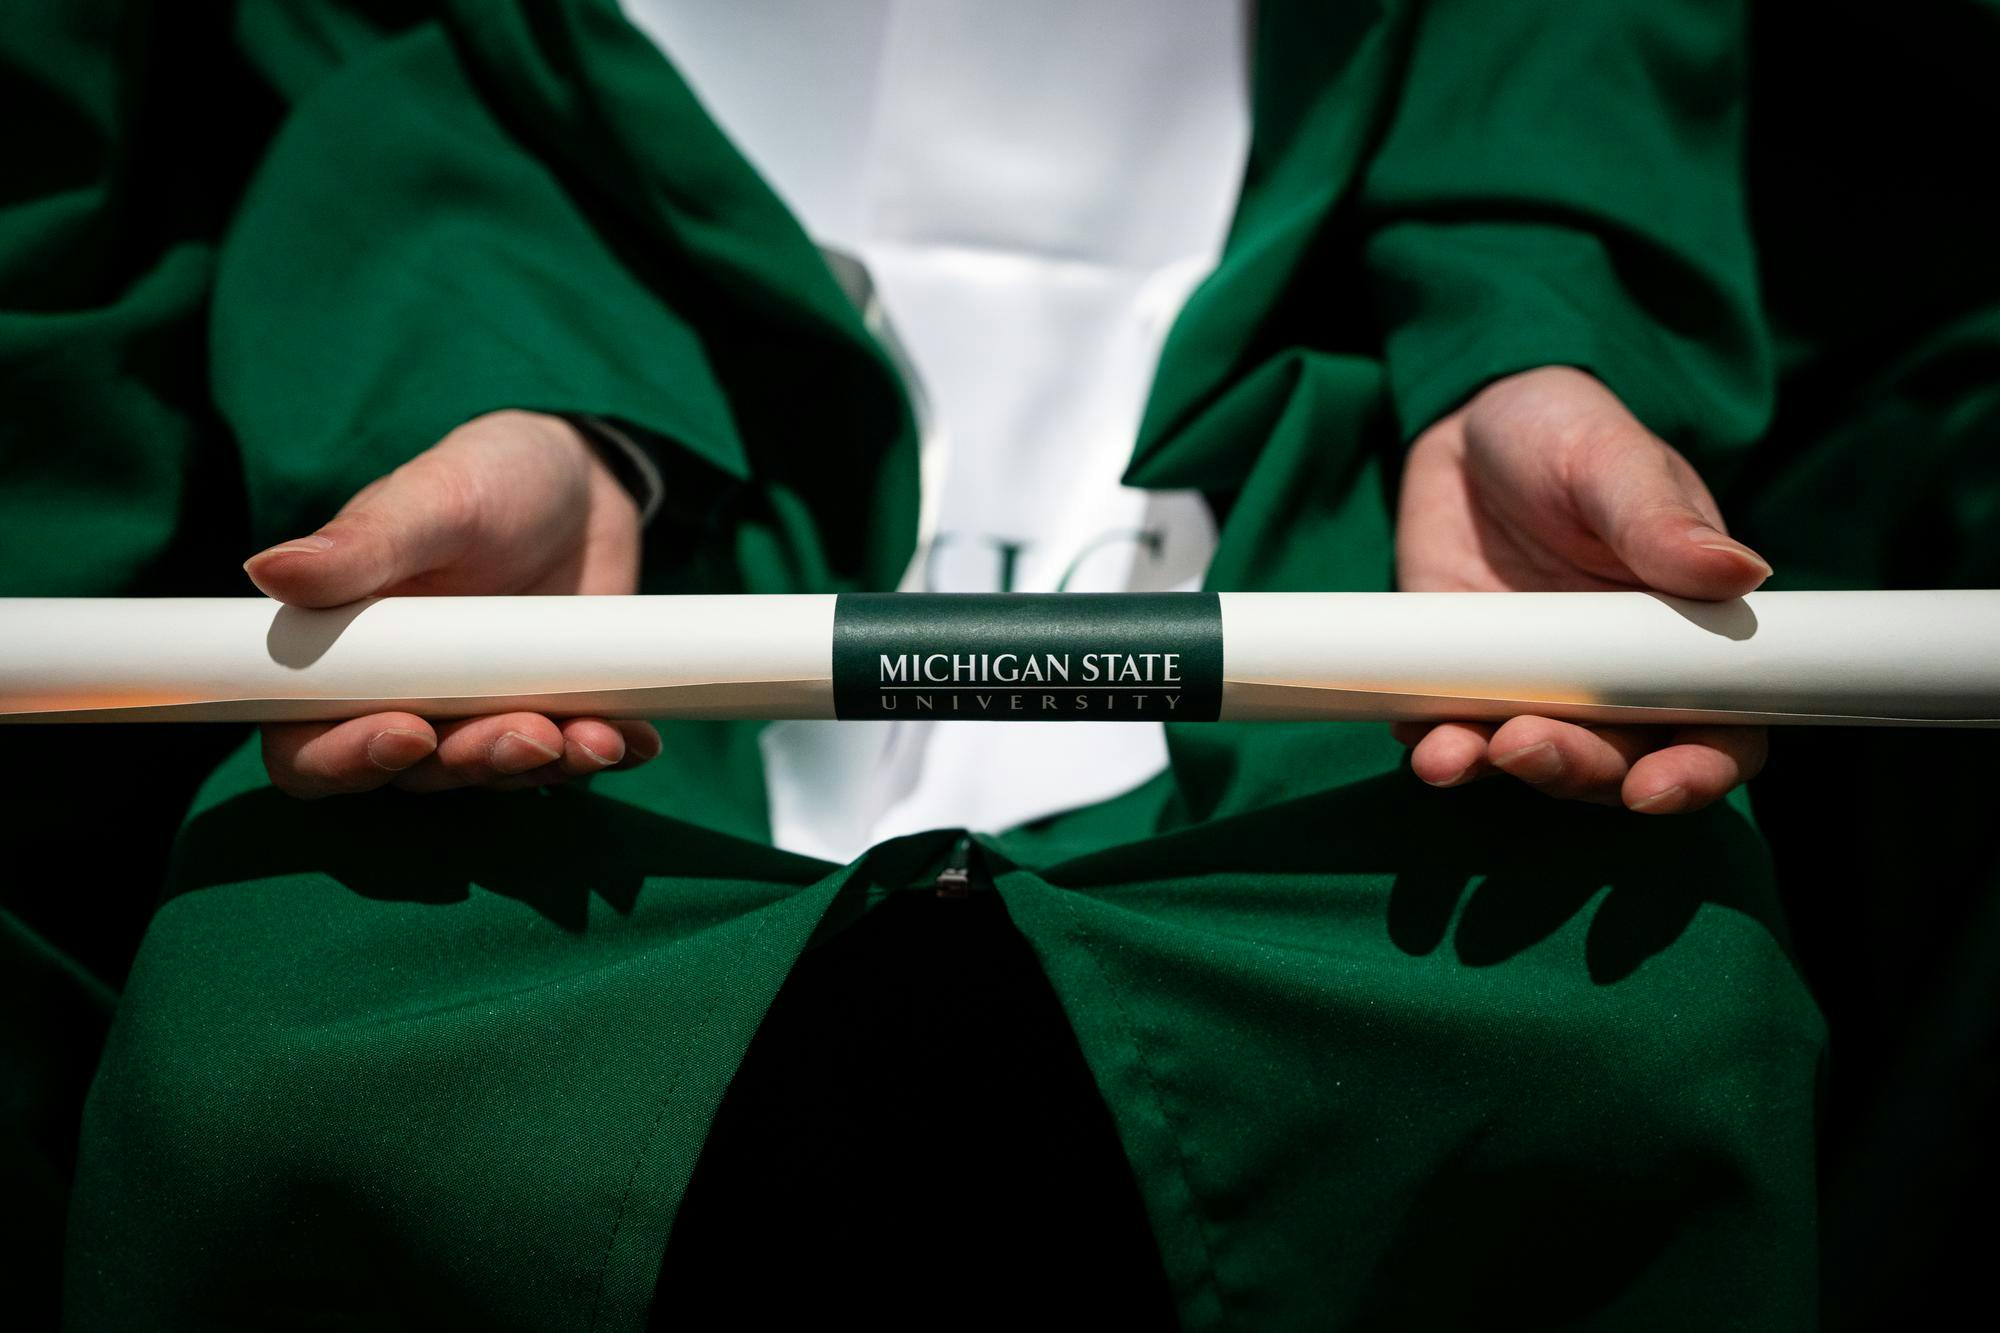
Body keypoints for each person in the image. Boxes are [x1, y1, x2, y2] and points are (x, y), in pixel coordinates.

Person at [14, 1, 1822, 1328]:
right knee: (290, 1033)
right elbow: (388, 62)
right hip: (614, 378)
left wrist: (1531, 346)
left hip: (1329, 429)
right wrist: (508, 387)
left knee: (1622, 1020)